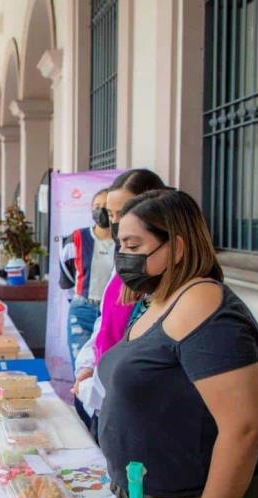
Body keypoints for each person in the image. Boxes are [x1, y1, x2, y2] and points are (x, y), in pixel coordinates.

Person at [100, 189, 258, 498]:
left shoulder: (209, 310)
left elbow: (244, 427)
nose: (123, 257)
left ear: (177, 248)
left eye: (134, 247)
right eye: (121, 246)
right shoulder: (159, 299)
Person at [71, 169, 166, 424]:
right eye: (111, 216)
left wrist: (98, 388)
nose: (114, 224)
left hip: (128, 406)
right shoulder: (123, 262)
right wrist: (88, 367)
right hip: (106, 398)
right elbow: (104, 325)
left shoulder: (161, 279)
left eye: (122, 213)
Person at [59, 188, 114, 429]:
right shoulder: (77, 238)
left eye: (106, 206)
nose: (100, 210)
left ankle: (103, 423)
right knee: (82, 371)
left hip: (111, 312)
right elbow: (66, 272)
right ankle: (84, 425)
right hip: (82, 309)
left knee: (106, 370)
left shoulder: (124, 242)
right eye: (96, 205)